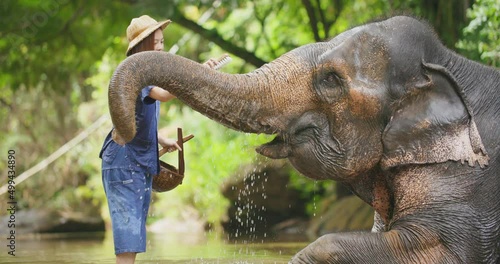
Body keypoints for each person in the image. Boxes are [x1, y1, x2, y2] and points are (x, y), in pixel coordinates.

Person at [99, 15, 217, 264]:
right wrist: (198, 73)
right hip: (123, 160)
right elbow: (165, 95)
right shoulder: (136, 72)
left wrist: (161, 140)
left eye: (163, 42)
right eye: (158, 43)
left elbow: (137, 120)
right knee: (128, 233)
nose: (162, 48)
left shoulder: (145, 74)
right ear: (142, 46)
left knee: (134, 232)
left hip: (133, 159)